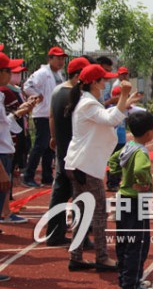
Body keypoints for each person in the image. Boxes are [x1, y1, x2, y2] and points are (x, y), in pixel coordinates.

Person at [64, 64, 143, 271]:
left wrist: (126, 101)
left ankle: (76, 256)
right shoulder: (88, 104)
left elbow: (109, 116)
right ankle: (102, 257)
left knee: (83, 212)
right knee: (99, 211)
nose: (106, 82)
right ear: (93, 83)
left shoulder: (89, 102)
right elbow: (111, 119)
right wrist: (124, 95)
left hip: (80, 164)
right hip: (85, 166)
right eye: (103, 79)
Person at [107, 111, 153, 289]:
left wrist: (116, 174)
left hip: (122, 198)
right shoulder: (141, 151)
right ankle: (131, 285)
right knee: (138, 243)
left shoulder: (128, 146)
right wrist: (142, 182)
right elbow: (141, 169)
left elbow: (112, 159)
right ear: (149, 133)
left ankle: (126, 277)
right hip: (136, 200)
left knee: (124, 241)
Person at [46, 57, 90, 246]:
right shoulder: (76, 96)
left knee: (60, 194)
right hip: (77, 153)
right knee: (83, 196)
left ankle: (54, 233)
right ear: (79, 75)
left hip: (63, 150)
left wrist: (54, 138)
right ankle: (81, 239)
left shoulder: (57, 91)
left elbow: (51, 117)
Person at [22, 46, 67, 187]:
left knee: (50, 146)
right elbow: (27, 86)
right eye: (58, 58)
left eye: (62, 59)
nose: (61, 61)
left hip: (54, 114)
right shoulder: (42, 73)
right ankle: (28, 175)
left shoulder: (60, 74)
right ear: (50, 59)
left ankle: (47, 176)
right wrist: (37, 96)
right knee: (40, 145)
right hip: (43, 114)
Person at [0, 51, 36, 224]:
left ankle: (5, 213)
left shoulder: (2, 95)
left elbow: (4, 123)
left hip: (6, 149)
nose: (12, 74)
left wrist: (18, 113)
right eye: (9, 70)